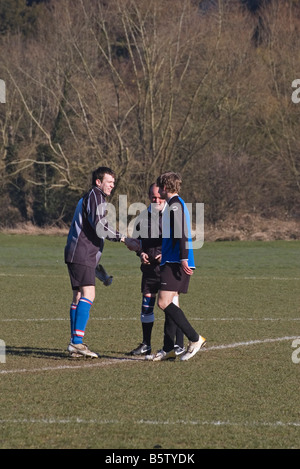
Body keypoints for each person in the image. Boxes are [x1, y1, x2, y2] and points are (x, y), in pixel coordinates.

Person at [64, 166, 128, 358]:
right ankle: (76, 343)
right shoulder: (95, 196)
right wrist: (122, 238)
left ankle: (75, 343)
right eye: (109, 182)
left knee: (77, 297)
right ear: (98, 182)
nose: (112, 185)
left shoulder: (93, 197)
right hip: (81, 254)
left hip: (77, 254)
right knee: (88, 294)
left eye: (114, 182)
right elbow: (101, 227)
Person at [149, 171, 206, 361]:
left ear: (164, 188)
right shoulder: (175, 204)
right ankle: (170, 348)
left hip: (175, 262)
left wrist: (183, 258)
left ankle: (195, 338)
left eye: (159, 188)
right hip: (172, 259)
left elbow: (182, 233)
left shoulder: (175, 206)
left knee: (163, 302)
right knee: (172, 303)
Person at [128, 183, 185, 357]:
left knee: (171, 304)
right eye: (153, 197)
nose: (157, 200)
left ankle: (178, 344)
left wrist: (166, 254)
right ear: (149, 197)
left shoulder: (173, 215)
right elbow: (136, 242)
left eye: (160, 196)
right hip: (149, 269)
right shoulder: (142, 217)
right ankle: (146, 344)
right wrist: (141, 253)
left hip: (168, 267)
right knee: (147, 305)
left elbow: (181, 240)